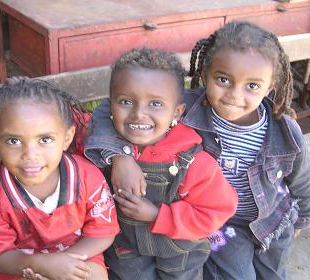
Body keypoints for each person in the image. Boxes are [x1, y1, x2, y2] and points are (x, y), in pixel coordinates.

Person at [84, 22, 310, 280]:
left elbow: (302, 178)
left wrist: (304, 217)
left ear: (270, 85)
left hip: (273, 218)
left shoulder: (283, 130)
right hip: (221, 223)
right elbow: (111, 108)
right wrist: (121, 156)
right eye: (223, 80)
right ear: (206, 74)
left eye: (252, 86)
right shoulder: (185, 106)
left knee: (273, 274)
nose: (234, 95)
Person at [85, 48, 238, 279]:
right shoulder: (103, 147)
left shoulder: (194, 161)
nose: (138, 114)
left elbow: (216, 211)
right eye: (126, 101)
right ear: (111, 106)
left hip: (180, 256)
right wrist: (120, 156)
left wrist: (158, 215)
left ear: (177, 112)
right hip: (127, 254)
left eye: (155, 104)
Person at [0, 79, 119, 280]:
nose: (30, 154)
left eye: (45, 140)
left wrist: (62, 264)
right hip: (21, 266)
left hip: (77, 257)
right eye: (13, 141)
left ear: (67, 138)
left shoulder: (87, 177)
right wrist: (40, 265)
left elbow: (103, 232)